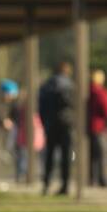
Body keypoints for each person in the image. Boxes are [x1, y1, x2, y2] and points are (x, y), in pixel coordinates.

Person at [39, 61, 75, 196]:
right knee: (66, 156)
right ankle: (65, 185)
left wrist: (45, 123)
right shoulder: (70, 86)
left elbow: (41, 106)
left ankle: (46, 184)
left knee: (50, 155)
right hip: (66, 124)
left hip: (51, 124)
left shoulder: (47, 86)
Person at [88, 69, 107, 187]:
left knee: (92, 155)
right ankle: (103, 179)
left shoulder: (87, 91)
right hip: (100, 126)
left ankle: (91, 178)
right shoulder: (101, 92)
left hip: (89, 126)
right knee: (103, 154)